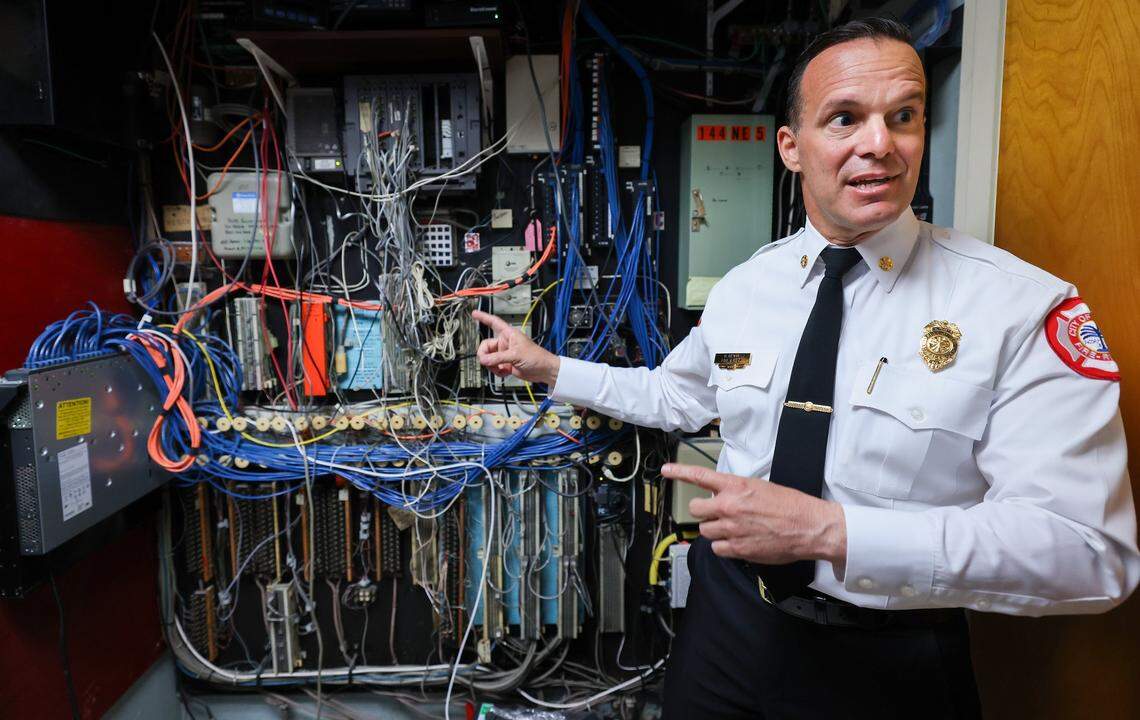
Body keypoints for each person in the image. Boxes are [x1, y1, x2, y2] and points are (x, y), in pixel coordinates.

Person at [474, 18, 1139, 719]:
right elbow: (675, 395)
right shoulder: (747, 289)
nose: (879, 144)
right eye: (845, 118)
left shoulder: (1018, 308)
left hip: (892, 655)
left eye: (903, 116)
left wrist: (834, 533)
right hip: (728, 622)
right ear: (790, 147)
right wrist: (549, 368)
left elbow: (1090, 551)